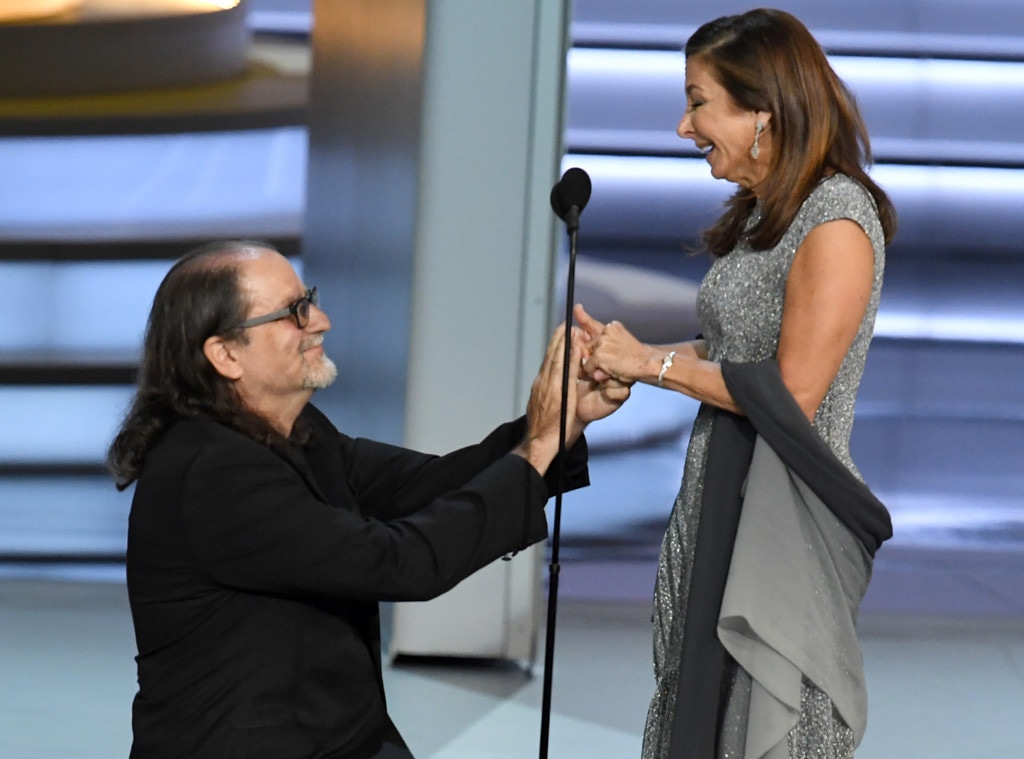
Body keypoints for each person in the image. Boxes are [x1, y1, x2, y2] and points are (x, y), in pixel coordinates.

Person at [107, 239, 629, 759]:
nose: (321, 320)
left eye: (307, 299)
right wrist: (535, 448)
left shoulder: (293, 429)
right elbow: (399, 562)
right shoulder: (212, 472)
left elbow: (429, 484)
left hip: (338, 735)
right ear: (225, 354)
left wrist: (559, 424)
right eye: (294, 313)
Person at [575, 9, 898, 759]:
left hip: (784, 517)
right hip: (721, 484)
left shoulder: (837, 224)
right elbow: (736, 348)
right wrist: (630, 353)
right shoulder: (767, 215)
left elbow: (790, 393)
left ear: (763, 112)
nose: (684, 126)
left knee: (762, 720)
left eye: (697, 102)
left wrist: (656, 366)